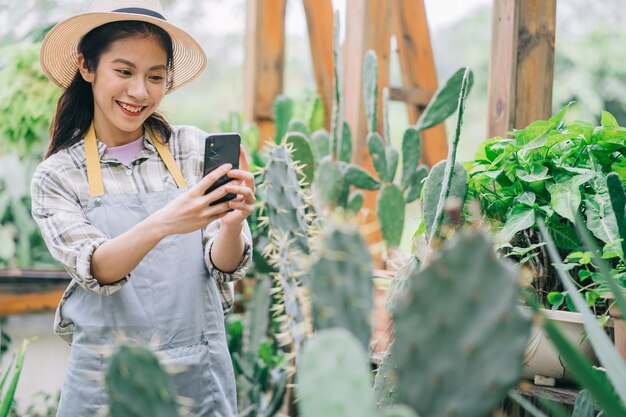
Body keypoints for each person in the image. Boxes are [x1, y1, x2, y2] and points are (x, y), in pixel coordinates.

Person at [31, 1, 254, 415]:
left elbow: (224, 266)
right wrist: (168, 221)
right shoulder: (58, 175)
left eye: (155, 77)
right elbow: (98, 268)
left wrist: (232, 223)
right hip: (107, 384)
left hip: (197, 374)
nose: (140, 92)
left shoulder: (189, 148)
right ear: (87, 66)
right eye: (124, 71)